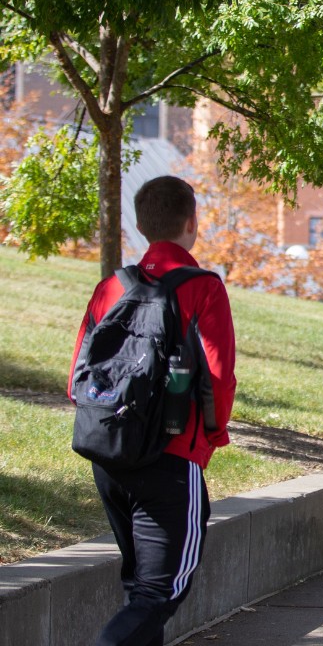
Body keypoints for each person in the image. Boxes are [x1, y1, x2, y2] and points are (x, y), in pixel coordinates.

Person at [68, 176, 237, 646]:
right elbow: (219, 378)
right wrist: (211, 438)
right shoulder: (203, 287)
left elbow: (76, 379)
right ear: (192, 222)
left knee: (139, 590)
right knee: (161, 591)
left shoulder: (111, 286)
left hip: (109, 454)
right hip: (171, 454)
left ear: (141, 225)